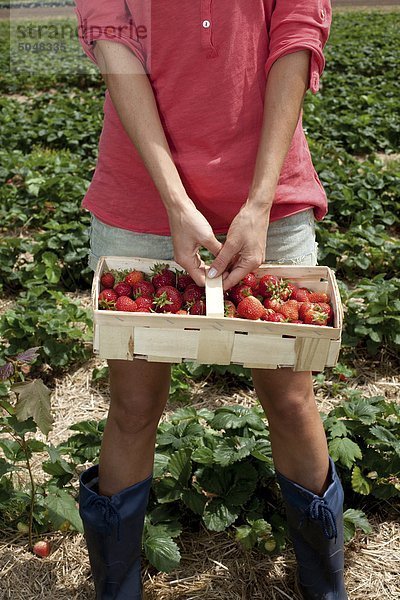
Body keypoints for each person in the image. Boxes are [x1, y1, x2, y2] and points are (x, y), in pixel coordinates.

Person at [74, 1, 347, 599]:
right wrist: (174, 202)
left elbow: (295, 36)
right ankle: (116, 590)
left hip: (269, 192)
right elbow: (114, 42)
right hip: (143, 195)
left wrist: (258, 201)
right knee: (133, 405)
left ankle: (325, 588)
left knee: (292, 399)